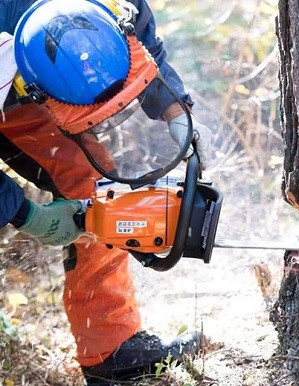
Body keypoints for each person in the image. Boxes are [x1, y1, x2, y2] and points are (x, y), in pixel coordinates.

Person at [0, 0, 212, 383]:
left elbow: (142, 42)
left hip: (25, 77)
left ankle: (110, 348)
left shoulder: (118, 5)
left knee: (91, 187)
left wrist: (177, 110)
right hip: (11, 80)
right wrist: (25, 215)